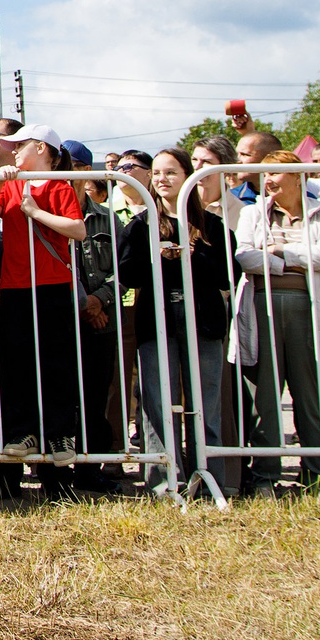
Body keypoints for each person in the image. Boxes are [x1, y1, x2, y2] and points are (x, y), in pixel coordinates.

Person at [233, 152, 320, 496]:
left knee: (310, 394)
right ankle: (266, 475)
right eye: (264, 173)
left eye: (276, 174)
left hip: (309, 310)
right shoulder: (252, 213)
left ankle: (317, 473)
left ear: (297, 177)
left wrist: (281, 250)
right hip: (261, 307)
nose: (268, 180)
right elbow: (244, 256)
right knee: (264, 397)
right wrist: (292, 261)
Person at [0, 126, 90, 470]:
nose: (13, 152)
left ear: (41, 148)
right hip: (15, 286)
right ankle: (23, 431)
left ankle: (60, 432)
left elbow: (78, 229)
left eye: (20, 146)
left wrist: (36, 212)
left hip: (54, 283)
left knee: (57, 360)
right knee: (18, 362)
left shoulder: (58, 185)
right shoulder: (12, 182)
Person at [122, 150, 230, 496]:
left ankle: (208, 475)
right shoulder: (141, 225)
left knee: (205, 401)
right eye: (157, 172)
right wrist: (157, 255)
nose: (163, 179)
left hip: (204, 319)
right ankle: (163, 482)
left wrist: (194, 254)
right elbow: (127, 273)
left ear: (188, 176)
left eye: (171, 171)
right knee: (156, 402)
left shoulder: (212, 226)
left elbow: (228, 274)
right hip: (157, 319)